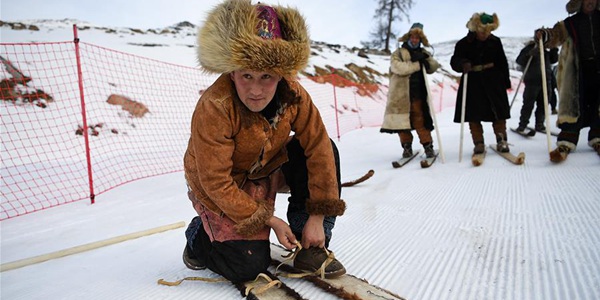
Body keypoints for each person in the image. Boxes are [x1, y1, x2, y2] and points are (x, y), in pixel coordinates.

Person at [182, 0, 347, 283]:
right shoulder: (215, 105)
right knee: (247, 267)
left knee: (326, 149)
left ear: (281, 74)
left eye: (266, 77)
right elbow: (215, 181)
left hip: (266, 170)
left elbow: (318, 148)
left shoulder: (294, 94)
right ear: (232, 71)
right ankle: (200, 233)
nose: (255, 90)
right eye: (246, 75)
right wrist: (270, 220)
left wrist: (316, 218)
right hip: (219, 186)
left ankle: (309, 247)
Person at [535, 0, 600, 161]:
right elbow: (555, 36)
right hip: (578, 70)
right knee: (572, 104)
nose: (590, 2)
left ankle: (598, 138)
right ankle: (566, 142)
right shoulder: (570, 23)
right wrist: (545, 35)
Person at [450, 12, 512, 154]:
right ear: (476, 28)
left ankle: (501, 140)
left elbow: (502, 62)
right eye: (483, 31)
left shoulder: (495, 42)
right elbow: (454, 61)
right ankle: (478, 143)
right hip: (472, 82)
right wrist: (462, 63)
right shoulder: (463, 44)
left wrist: (505, 82)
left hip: (494, 80)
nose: (486, 34)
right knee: (473, 115)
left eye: (489, 31)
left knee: (498, 113)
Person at [381, 23, 441, 159]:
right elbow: (398, 68)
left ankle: (428, 147)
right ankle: (406, 148)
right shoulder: (398, 53)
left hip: (417, 94)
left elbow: (433, 66)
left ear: (420, 40)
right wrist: (417, 65)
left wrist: (427, 62)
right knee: (401, 124)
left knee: (420, 121)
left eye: (417, 38)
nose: (414, 40)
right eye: (413, 37)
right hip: (400, 96)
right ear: (408, 37)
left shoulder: (423, 53)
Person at [515, 40, 559, 133]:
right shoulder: (530, 48)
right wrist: (529, 54)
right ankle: (522, 125)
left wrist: (554, 49)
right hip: (532, 81)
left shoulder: (546, 51)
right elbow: (519, 60)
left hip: (546, 80)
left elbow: (554, 60)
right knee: (528, 104)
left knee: (543, 104)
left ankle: (539, 124)